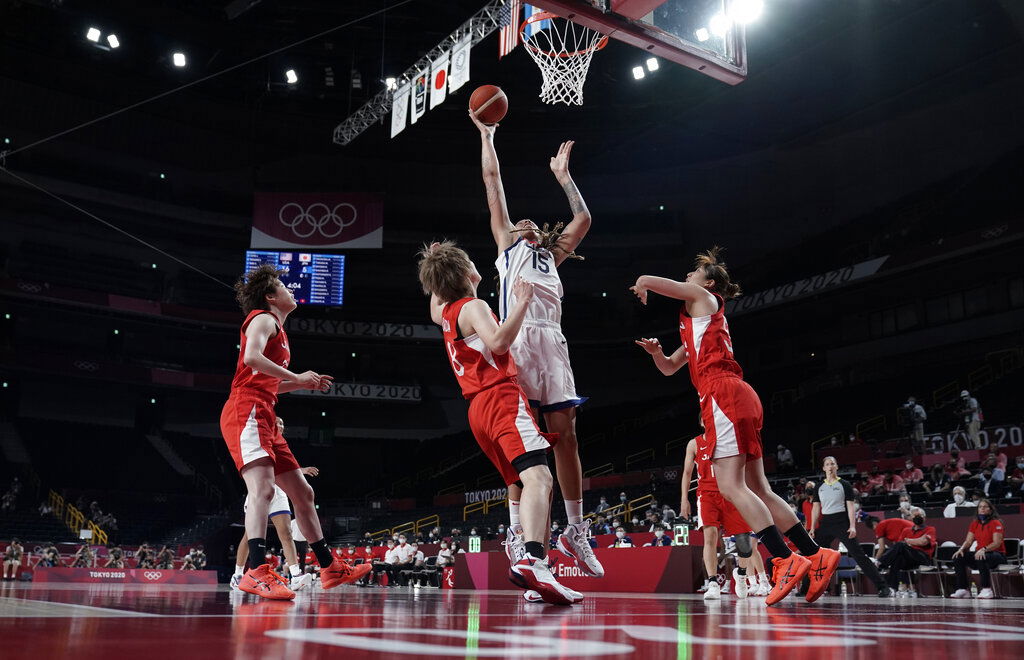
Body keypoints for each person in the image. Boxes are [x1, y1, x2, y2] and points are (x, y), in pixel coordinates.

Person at [632, 247, 839, 605]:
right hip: (738, 394)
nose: (687, 277)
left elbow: (650, 281)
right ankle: (814, 553)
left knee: (730, 485)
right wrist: (656, 356)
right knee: (757, 486)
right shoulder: (696, 324)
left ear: (709, 282)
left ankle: (785, 560)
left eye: (693, 273)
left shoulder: (703, 296)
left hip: (722, 394)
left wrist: (641, 282)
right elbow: (669, 368)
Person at [470, 113, 602, 581]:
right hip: (519, 341)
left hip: (554, 344)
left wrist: (564, 179)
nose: (525, 224)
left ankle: (575, 529)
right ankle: (516, 531)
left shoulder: (553, 255)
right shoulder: (508, 246)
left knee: (566, 437)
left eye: (531, 225)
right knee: (522, 443)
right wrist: (487, 136)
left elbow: (583, 218)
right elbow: (492, 180)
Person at [418, 241, 579, 606]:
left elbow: (434, 297)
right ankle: (534, 559)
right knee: (541, 478)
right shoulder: (474, 306)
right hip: (500, 399)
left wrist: (435, 262)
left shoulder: (444, 312)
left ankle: (531, 562)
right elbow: (501, 342)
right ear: (464, 275)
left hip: (477, 411)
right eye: (471, 261)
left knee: (524, 483)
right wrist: (522, 299)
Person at [219, 264, 369, 600]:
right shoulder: (262, 318)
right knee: (262, 489)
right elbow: (252, 358)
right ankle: (255, 571)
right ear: (272, 297)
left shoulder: (280, 330)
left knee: (303, 494)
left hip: (265, 411)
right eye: (285, 286)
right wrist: (299, 377)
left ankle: (330, 566)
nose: (291, 290)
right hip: (247, 409)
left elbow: (268, 382)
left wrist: (301, 385)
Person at [230, 418, 319, 592]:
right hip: (259, 491)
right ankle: (238, 574)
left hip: (279, 492)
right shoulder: (258, 440)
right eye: (277, 422)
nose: (281, 425)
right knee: (250, 536)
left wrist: (301, 470)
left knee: (286, 532)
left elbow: (286, 469)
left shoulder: (281, 445)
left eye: (283, 424)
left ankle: (295, 576)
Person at [680, 434, 770, 600]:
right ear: (702, 421)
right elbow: (686, 473)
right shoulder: (694, 443)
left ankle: (741, 574)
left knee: (745, 543)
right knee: (710, 538)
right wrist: (684, 500)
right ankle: (713, 583)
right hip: (707, 495)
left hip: (731, 493)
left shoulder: (729, 439)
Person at [810, 457, 892, 597]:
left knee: (859, 555)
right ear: (823, 468)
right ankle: (806, 588)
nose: (830, 467)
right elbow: (815, 508)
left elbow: (850, 507)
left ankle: (883, 587)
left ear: (836, 467)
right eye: (827, 464)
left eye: (833, 464)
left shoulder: (845, 484)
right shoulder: (819, 486)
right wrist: (812, 527)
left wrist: (852, 526)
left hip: (842, 521)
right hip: (826, 523)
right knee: (815, 555)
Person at [950, 499, 1005, 599]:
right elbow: (968, 541)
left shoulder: (996, 523)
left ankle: (987, 589)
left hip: (997, 554)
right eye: (980, 507)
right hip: (980, 553)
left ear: (990, 510)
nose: (982, 509)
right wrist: (961, 549)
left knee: (981, 556)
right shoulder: (975, 524)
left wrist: (984, 549)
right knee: (958, 557)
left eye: (985, 507)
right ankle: (963, 589)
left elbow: (997, 543)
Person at [877, 507, 935, 594]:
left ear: (924, 517)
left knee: (901, 545)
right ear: (911, 518)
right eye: (914, 516)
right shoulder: (906, 530)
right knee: (898, 559)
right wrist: (915, 541)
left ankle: (880, 563)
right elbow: (904, 544)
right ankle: (892, 588)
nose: (916, 517)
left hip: (922, 557)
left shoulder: (930, 529)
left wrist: (908, 541)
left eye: (919, 515)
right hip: (909, 559)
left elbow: (923, 542)